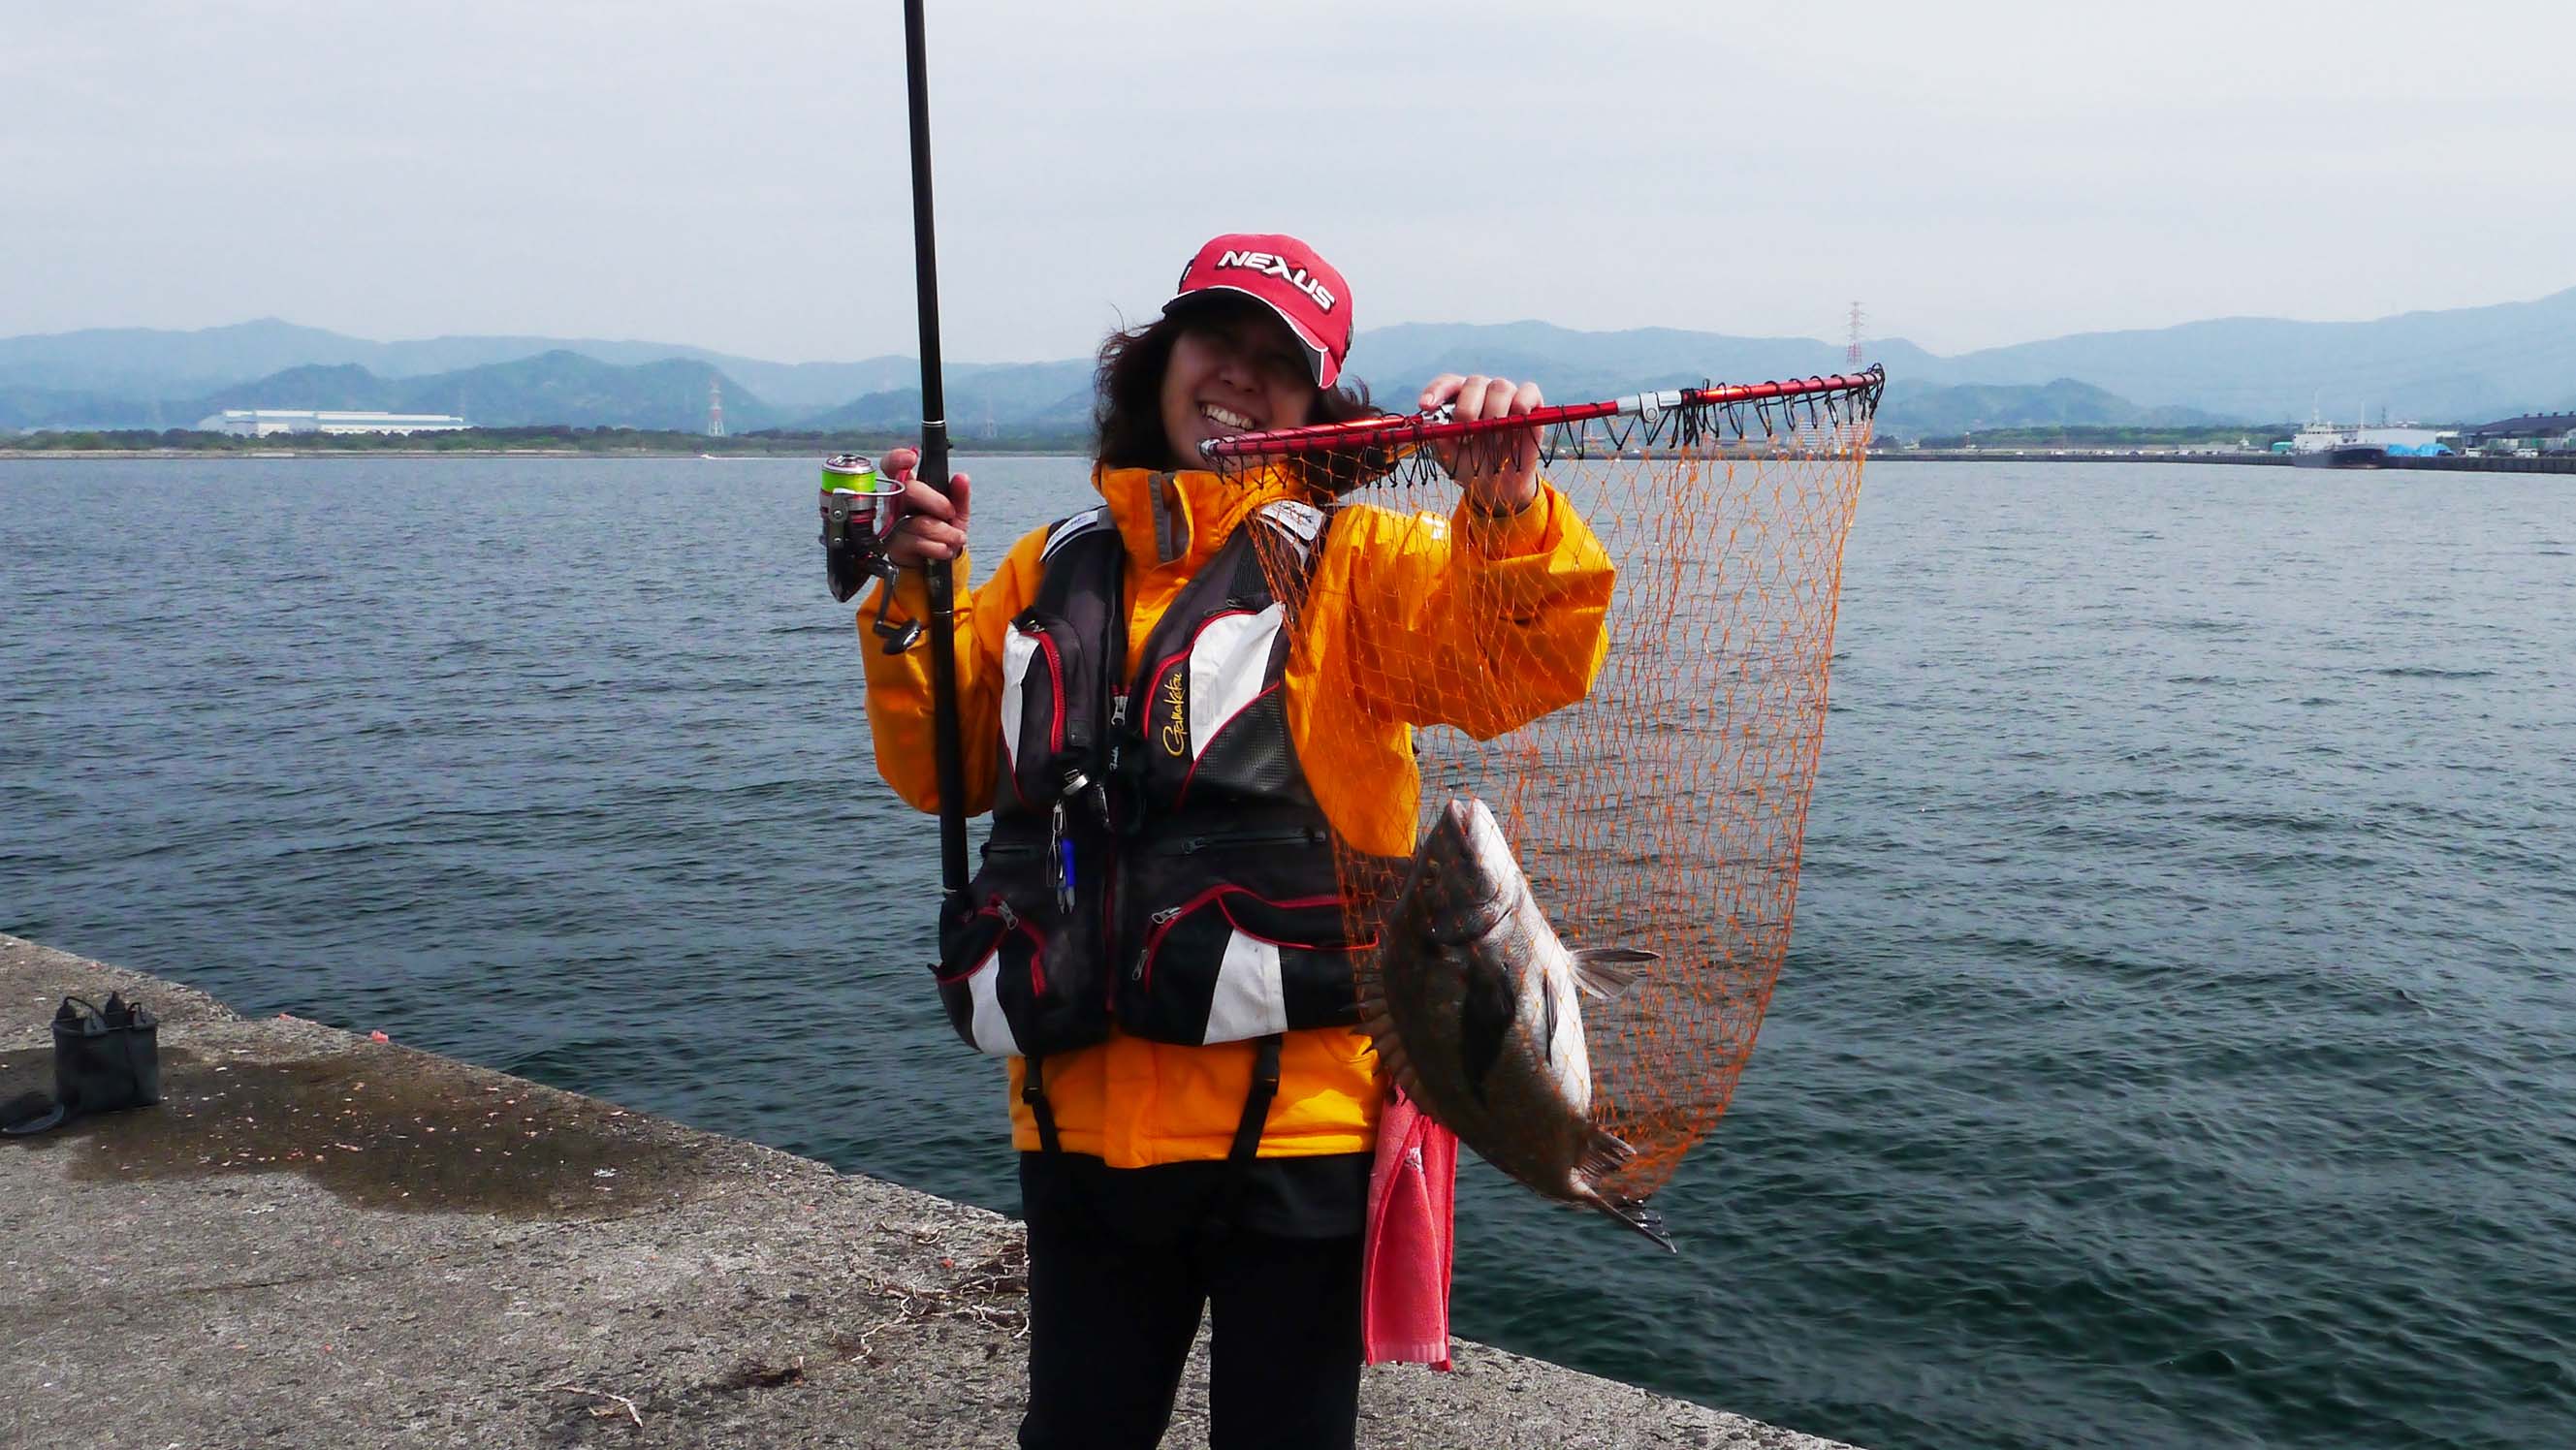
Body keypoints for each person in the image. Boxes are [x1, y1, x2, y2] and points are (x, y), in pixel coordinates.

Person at [858, 233, 1613, 1450]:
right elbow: (936, 768)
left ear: (1317, 405)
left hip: (1300, 1141)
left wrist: (1506, 502)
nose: (1239, 377)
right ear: (1158, 357)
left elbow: (1520, 658)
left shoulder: (1356, 566)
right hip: (1077, 1125)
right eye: (1217, 338)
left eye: (1281, 363)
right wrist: (907, 595)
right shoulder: (1047, 566)